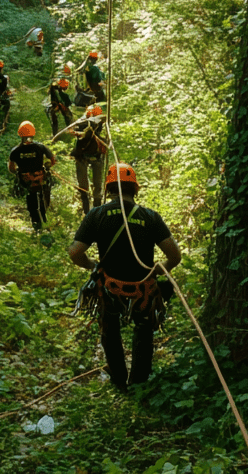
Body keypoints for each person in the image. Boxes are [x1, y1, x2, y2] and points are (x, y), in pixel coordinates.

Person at [68, 162, 181, 392]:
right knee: (143, 328)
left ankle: (119, 377)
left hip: (110, 286)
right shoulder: (150, 217)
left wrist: (93, 265)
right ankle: (139, 381)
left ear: (109, 188)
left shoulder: (97, 214)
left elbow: (75, 252)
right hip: (143, 288)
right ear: (135, 189)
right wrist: (158, 269)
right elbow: (174, 256)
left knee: (109, 328)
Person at [54, 104, 108, 214]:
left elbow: (103, 122)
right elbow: (75, 132)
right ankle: (87, 211)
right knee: (83, 187)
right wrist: (80, 133)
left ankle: (97, 211)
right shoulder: (82, 123)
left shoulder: (100, 123)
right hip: (82, 157)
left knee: (97, 186)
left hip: (96, 156)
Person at [8, 121, 57, 230]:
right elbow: (52, 160)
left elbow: (11, 168)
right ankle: (44, 221)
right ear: (33, 133)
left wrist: (18, 171)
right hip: (40, 180)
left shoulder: (15, 151)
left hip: (26, 183)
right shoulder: (41, 147)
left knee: (32, 204)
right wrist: (47, 166)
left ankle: (36, 226)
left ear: (20, 134)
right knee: (42, 199)